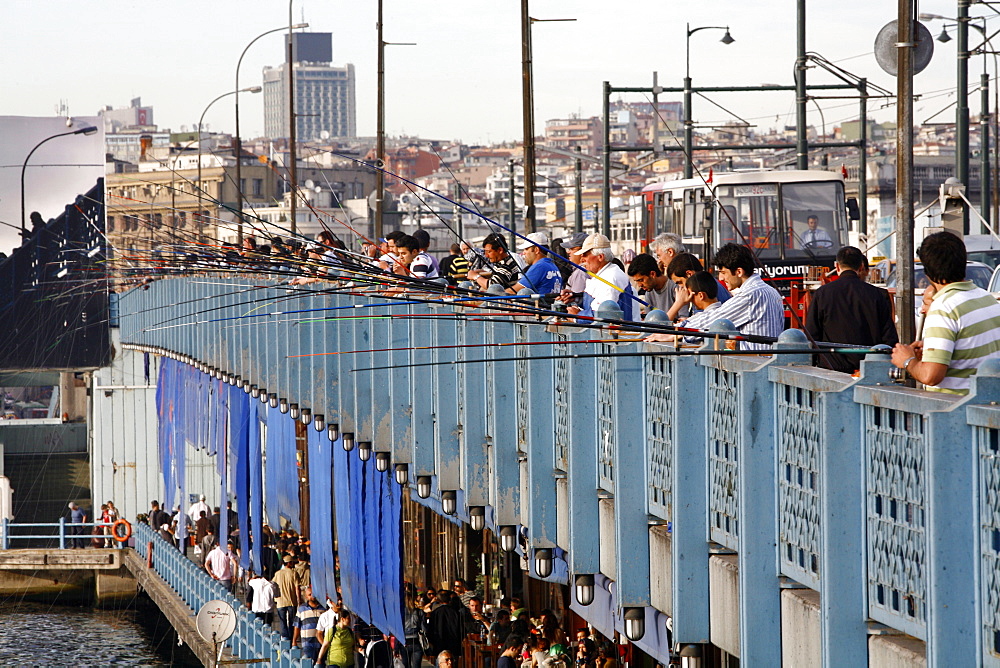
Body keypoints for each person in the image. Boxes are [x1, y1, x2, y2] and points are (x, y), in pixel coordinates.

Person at [891, 231, 1000, 394]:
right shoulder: (987, 298)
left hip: (956, 410)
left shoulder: (943, 308)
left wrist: (907, 361)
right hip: (988, 404)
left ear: (927, 273)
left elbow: (931, 376)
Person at [648, 243, 783, 350]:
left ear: (739, 272)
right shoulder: (770, 291)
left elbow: (713, 320)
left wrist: (676, 332)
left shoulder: (750, 296)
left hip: (756, 369)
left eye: (723, 272)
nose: (721, 278)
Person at [805, 246, 899, 375]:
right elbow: (889, 338)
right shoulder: (879, 295)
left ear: (837, 267)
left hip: (831, 370)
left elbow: (812, 334)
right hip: (869, 370)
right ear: (861, 266)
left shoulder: (822, 294)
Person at [564, 234, 636, 321]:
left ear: (600, 257)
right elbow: (594, 304)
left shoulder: (611, 277)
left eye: (585, 255)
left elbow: (603, 314)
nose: (582, 259)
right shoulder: (602, 274)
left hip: (620, 334)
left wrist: (577, 317)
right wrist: (575, 297)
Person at [294, 587, 328, 663]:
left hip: (321, 644)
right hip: (307, 644)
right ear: (306, 597)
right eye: (310, 595)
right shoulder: (301, 609)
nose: (312, 596)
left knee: (320, 664)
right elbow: (297, 626)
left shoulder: (324, 608)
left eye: (314, 594)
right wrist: (294, 641)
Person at [274, 554, 303, 640]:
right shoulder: (294, 573)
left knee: (282, 621)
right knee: (292, 621)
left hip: (280, 601)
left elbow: (273, 584)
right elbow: (297, 588)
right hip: (291, 601)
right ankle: (291, 637)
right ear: (289, 563)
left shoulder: (278, 573)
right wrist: (299, 600)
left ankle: (285, 638)